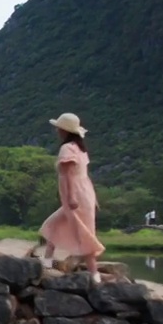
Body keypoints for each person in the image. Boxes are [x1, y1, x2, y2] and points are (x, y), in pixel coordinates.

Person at [39, 113, 105, 283]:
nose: (57, 131)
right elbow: (84, 176)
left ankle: (95, 275)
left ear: (64, 130)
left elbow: (68, 176)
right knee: (54, 224)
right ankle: (46, 262)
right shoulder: (79, 148)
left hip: (75, 197)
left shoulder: (67, 148)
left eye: (58, 128)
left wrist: (71, 197)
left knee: (83, 233)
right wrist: (92, 197)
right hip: (84, 194)